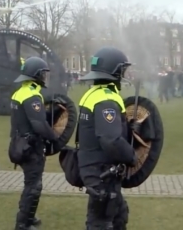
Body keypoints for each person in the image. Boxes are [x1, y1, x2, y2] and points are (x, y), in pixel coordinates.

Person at [77, 47, 135, 229]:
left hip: (93, 168)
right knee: (100, 222)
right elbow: (110, 140)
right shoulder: (106, 100)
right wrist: (132, 156)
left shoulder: (92, 94)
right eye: (122, 70)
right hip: (102, 173)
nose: (124, 74)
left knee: (119, 214)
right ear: (115, 71)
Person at [9, 57, 57, 229]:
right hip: (30, 148)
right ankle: (23, 223)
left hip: (18, 144)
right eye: (43, 74)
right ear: (36, 75)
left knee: (30, 183)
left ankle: (28, 215)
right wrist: (54, 138)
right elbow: (39, 124)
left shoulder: (19, 92)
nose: (45, 77)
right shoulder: (32, 95)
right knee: (34, 186)